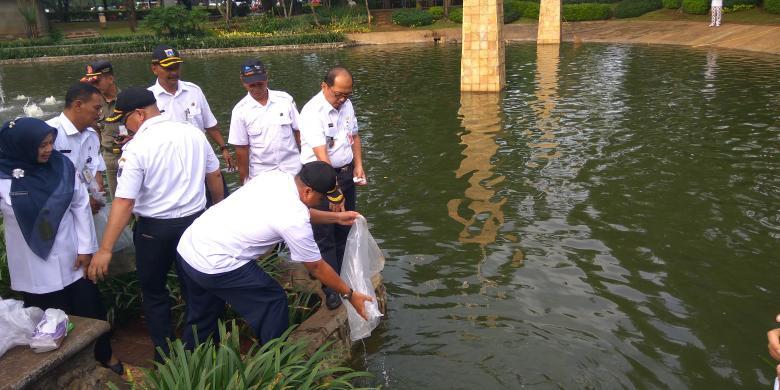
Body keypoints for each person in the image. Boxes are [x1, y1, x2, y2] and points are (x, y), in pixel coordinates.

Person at [87, 87, 224, 361]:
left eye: (124, 120)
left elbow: (124, 202)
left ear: (138, 114)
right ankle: (202, 350)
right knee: (196, 286)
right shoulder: (193, 133)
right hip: (194, 225)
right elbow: (215, 175)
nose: (124, 127)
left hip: (154, 231)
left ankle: (164, 354)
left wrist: (105, 249)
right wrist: (216, 215)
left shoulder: (137, 147)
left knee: (154, 292)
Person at [176, 161, 372, 347]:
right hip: (216, 261)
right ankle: (274, 364)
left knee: (203, 314)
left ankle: (191, 363)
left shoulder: (277, 178)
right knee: (273, 301)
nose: (321, 203)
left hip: (191, 245)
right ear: (308, 191)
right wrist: (351, 294)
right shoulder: (294, 218)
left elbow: (295, 212)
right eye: (321, 199)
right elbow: (317, 267)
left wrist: (335, 217)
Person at [0, 117, 123, 374]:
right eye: (41, 145)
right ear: (21, 145)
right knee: (47, 318)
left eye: (50, 143)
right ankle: (64, 371)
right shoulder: (3, 177)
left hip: (72, 256)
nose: (48, 150)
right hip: (33, 264)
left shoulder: (62, 167)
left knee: (89, 309)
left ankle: (104, 356)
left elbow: (80, 206)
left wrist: (86, 248)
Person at [298, 67, 367, 310]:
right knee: (324, 235)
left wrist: (358, 165)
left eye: (347, 94)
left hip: (346, 175)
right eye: (338, 94)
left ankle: (340, 276)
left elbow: (354, 136)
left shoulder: (346, 105)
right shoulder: (311, 112)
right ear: (324, 86)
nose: (342, 99)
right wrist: (333, 193)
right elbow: (322, 156)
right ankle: (330, 289)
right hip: (321, 181)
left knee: (344, 228)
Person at [147, 44, 232, 205]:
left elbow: (210, 124)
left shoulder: (194, 91)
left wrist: (224, 148)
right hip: (172, 169)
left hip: (202, 161)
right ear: (154, 68)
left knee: (220, 205)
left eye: (176, 67)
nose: (174, 73)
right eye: (168, 68)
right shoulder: (148, 98)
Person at [228, 58, 302, 185]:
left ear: (267, 77)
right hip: (262, 175)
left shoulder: (285, 100)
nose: (257, 88)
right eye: (252, 85)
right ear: (243, 81)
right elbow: (241, 150)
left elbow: (299, 132)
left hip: (294, 170)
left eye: (260, 84)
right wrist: (245, 181)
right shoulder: (239, 111)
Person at [46, 83, 107, 215]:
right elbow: (44, 179)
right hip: (59, 210)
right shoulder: (49, 133)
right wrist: (83, 201)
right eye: (97, 108)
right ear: (78, 105)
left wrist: (97, 194)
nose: (99, 114)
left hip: (88, 207)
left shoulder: (91, 135)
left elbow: (94, 168)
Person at [80, 60, 128, 199]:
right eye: (91, 83)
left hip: (129, 154)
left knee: (137, 202)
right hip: (108, 156)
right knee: (117, 199)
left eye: (97, 82)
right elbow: (94, 131)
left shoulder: (126, 99)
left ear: (111, 79)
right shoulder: (94, 104)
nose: (93, 86)